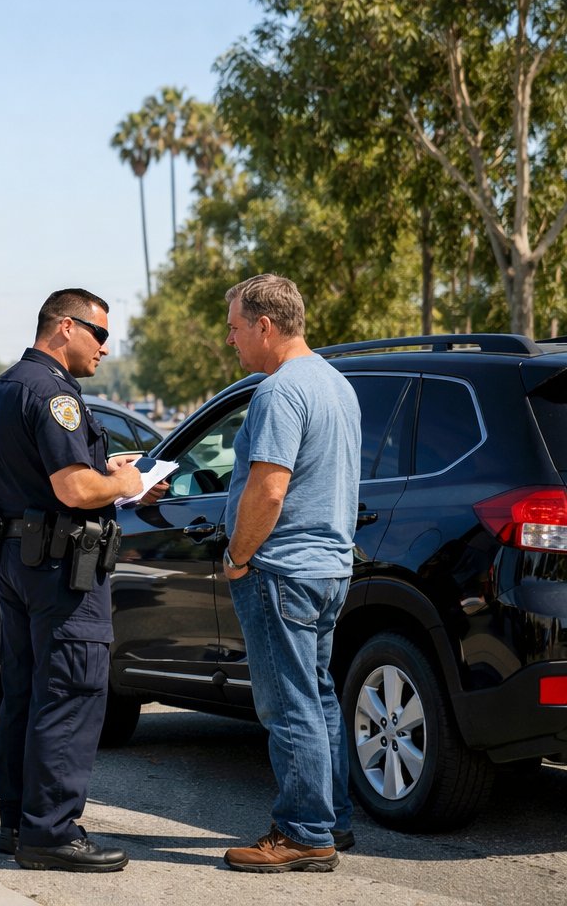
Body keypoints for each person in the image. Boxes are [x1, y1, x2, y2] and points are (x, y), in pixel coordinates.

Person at [0, 288, 165, 874]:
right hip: (62, 572)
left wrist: (107, 472)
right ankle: (52, 833)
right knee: (71, 694)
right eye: (100, 334)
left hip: (18, 562)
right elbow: (73, 490)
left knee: (28, 696)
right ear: (64, 327)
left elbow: (51, 475)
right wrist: (126, 485)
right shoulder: (55, 394)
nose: (106, 349)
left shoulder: (3, 388)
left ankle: (19, 823)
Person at [220, 274, 360, 873]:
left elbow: (270, 489)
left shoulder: (279, 393)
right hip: (329, 567)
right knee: (320, 698)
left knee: (288, 706)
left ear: (265, 326)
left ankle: (304, 834)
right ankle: (332, 820)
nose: (231, 340)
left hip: (282, 569)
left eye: (234, 327)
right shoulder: (337, 385)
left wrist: (238, 556)